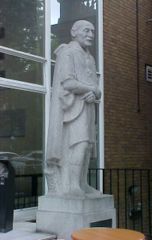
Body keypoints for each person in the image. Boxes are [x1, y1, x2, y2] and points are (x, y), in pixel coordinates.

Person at [45, 20, 101, 196]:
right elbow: (68, 82)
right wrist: (91, 89)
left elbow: (96, 86)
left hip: (88, 107)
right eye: (87, 30)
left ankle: (82, 183)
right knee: (80, 144)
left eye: (92, 31)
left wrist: (95, 93)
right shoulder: (67, 52)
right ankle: (72, 186)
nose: (91, 34)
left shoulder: (90, 58)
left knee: (87, 147)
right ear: (74, 32)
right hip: (72, 109)